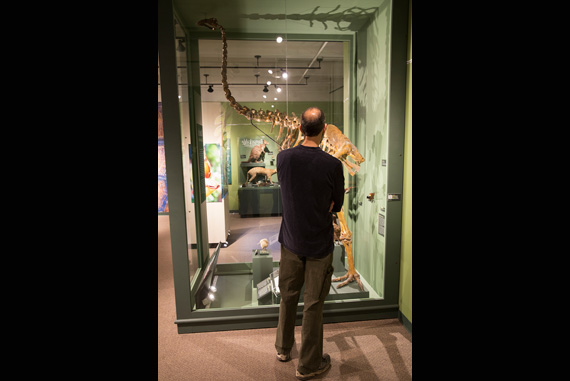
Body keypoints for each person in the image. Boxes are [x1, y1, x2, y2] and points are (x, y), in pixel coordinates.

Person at [274, 107, 345, 380]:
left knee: (288, 296)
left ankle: (283, 348)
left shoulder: (283, 158)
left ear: (300, 129)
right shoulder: (332, 164)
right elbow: (335, 204)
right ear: (324, 129)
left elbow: (288, 189)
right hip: (318, 244)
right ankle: (308, 364)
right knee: (313, 303)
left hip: (290, 240)